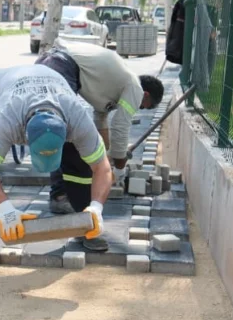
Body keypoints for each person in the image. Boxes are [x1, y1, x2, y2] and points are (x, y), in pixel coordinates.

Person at [0, 64, 111, 261]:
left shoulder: (78, 119)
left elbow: (102, 168)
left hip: (52, 87)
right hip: (0, 91)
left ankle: (87, 224)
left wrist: (96, 207)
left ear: (66, 134)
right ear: (24, 137)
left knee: (80, 165)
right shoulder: (8, 120)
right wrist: (6, 210)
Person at [37, 42, 165, 250]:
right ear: (146, 95)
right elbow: (120, 126)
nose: (139, 108)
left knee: (62, 135)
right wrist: (119, 167)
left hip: (50, 62)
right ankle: (73, 211)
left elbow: (101, 119)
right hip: (61, 66)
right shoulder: (134, 87)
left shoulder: (113, 86)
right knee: (72, 148)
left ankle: (60, 195)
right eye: (143, 107)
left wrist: (105, 157)